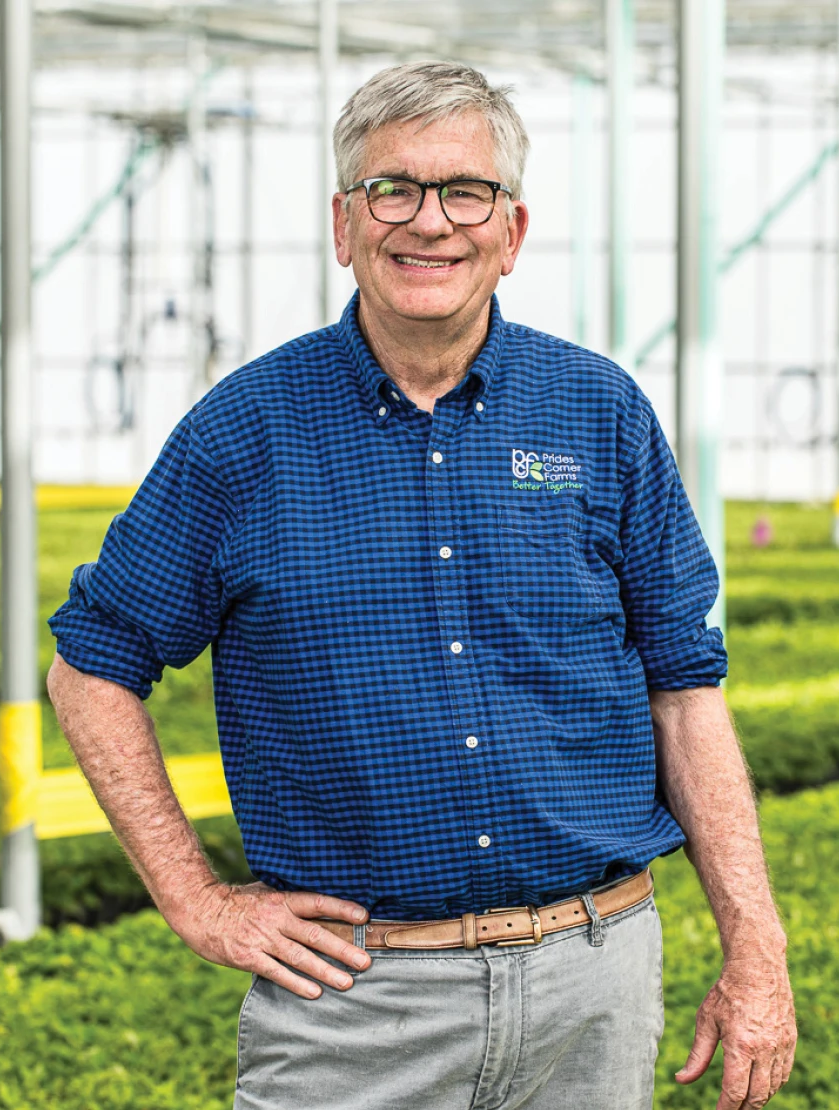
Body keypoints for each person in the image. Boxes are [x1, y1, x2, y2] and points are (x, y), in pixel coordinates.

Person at [43, 60, 796, 1110]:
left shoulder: (600, 413)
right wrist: (199, 902)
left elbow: (684, 689)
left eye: (464, 192)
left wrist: (756, 957)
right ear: (345, 225)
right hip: (353, 1001)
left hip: (595, 981)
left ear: (513, 231)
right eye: (392, 190)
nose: (429, 222)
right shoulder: (242, 433)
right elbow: (91, 666)